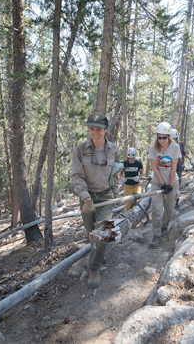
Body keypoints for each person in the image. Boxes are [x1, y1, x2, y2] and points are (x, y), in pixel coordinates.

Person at [70, 112, 119, 289]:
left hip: (105, 196)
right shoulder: (80, 149)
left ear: (106, 130)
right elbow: (76, 175)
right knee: (92, 233)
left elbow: (115, 172)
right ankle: (97, 253)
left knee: (104, 232)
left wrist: (116, 192)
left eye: (98, 129)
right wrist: (85, 196)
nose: (94, 132)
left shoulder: (113, 149)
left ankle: (93, 267)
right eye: (91, 129)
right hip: (87, 197)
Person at [149, 122, 181, 247]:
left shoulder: (175, 148)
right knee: (157, 210)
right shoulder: (153, 148)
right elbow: (154, 168)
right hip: (157, 181)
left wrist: (170, 185)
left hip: (172, 180)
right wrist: (162, 184)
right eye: (159, 137)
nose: (161, 140)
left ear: (169, 136)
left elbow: (174, 168)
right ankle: (156, 235)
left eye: (164, 137)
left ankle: (164, 226)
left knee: (169, 209)